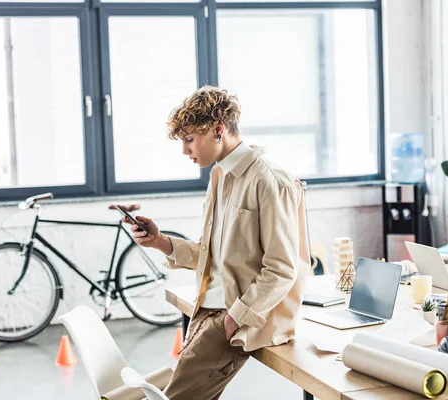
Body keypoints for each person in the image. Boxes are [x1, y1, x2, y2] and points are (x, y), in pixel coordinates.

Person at [125, 86, 311, 400]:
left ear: (217, 130)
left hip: (233, 319)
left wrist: (232, 321)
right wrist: (159, 242)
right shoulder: (220, 176)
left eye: (189, 139)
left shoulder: (270, 181)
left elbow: (281, 270)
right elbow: (212, 254)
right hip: (206, 311)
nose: (185, 150)